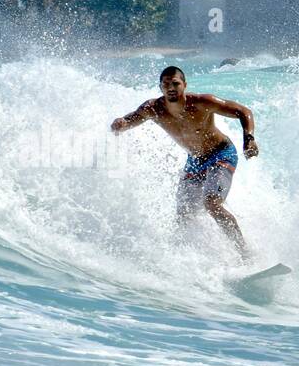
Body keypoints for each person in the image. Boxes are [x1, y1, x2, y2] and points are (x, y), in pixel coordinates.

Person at [110, 66, 259, 257]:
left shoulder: (202, 102)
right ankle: (192, 258)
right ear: (161, 87)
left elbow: (242, 111)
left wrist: (249, 137)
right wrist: (120, 123)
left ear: (184, 85)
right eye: (166, 84)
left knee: (211, 203)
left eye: (175, 84)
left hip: (221, 154)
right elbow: (129, 120)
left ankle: (244, 253)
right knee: (183, 214)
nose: (171, 88)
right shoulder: (153, 108)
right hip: (195, 161)